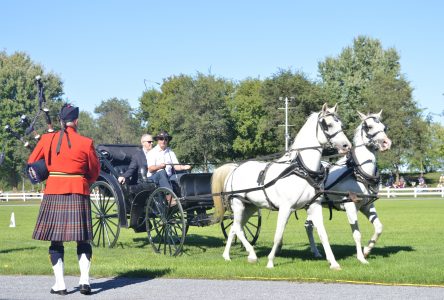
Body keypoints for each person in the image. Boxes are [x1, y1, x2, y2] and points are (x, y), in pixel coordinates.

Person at [28, 104, 100, 296]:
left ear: (61, 120)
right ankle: (85, 282)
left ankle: (60, 284)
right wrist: (84, 181)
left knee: (56, 240)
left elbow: (32, 162)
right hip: (79, 190)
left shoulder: (46, 139)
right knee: (83, 240)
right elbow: (94, 171)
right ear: (75, 121)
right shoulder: (86, 142)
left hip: (54, 191)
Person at [147, 130, 192, 204]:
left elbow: (176, 166)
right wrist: (159, 166)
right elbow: (150, 169)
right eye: (161, 139)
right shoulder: (152, 152)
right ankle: (170, 198)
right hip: (153, 178)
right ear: (158, 140)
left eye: (166, 139)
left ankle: (188, 197)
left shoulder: (170, 152)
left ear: (167, 140)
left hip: (168, 177)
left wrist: (184, 167)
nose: (163, 141)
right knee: (162, 172)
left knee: (184, 176)